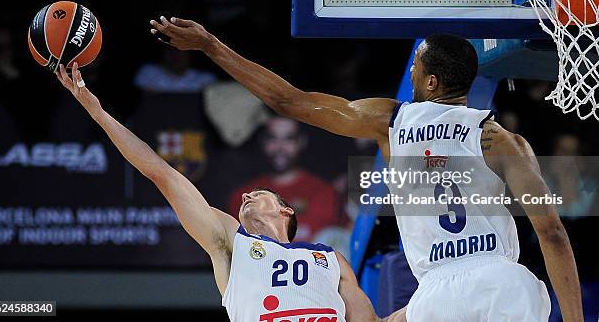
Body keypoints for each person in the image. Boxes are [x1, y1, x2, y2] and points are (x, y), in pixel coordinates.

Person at [150, 17, 583, 322]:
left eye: (416, 66)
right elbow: (553, 234)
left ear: (431, 82)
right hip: (505, 282)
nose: (411, 70)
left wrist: (210, 45)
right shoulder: (506, 142)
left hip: (437, 296)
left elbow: (288, 101)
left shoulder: (389, 120)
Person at [54, 63, 405, 322]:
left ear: (287, 211)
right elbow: (160, 173)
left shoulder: (331, 259)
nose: (246, 198)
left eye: (259, 194)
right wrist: (98, 112)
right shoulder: (230, 243)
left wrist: (432, 300)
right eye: (246, 196)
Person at [228, 116, 339, 242]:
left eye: (289, 139)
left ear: (301, 142)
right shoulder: (244, 197)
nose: (280, 148)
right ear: (263, 142)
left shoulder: (323, 192)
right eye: (273, 138)